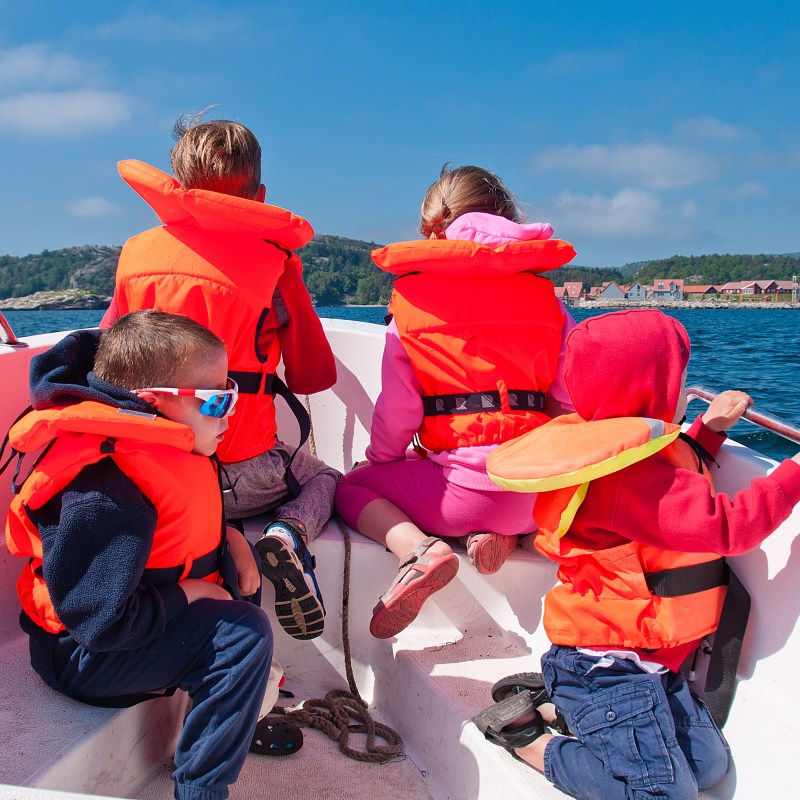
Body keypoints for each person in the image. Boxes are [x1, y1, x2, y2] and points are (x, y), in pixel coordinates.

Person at [477, 309, 800, 800]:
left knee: (709, 767)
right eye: (681, 378)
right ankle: (529, 739)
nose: (687, 387)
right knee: (665, 794)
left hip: (645, 666)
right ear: (651, 389)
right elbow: (729, 526)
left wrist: (708, 431)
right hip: (607, 668)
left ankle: (562, 706)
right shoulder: (626, 480)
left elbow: (673, 470)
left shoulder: (629, 459)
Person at [4, 310, 277, 800]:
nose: (229, 411)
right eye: (216, 399)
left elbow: (171, 542)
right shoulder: (107, 490)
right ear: (154, 403)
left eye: (230, 392)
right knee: (244, 636)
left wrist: (229, 539)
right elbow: (99, 625)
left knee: (239, 579)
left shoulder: (164, 446)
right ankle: (202, 790)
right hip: (84, 658)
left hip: (128, 630)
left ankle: (232, 718)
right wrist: (189, 594)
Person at [101, 116, 339, 641]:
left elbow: (105, 365)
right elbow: (313, 375)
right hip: (240, 472)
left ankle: (220, 538)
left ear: (179, 188)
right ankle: (287, 534)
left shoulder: (135, 254)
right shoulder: (275, 262)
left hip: (149, 471)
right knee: (324, 479)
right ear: (259, 194)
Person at [335, 165, 578, 639]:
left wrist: (382, 461)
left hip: (461, 498)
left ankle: (419, 550)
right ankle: (499, 539)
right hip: (540, 498)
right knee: (507, 502)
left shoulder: (410, 305)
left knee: (351, 488)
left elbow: (399, 412)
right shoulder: (549, 300)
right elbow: (568, 402)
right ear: (508, 217)